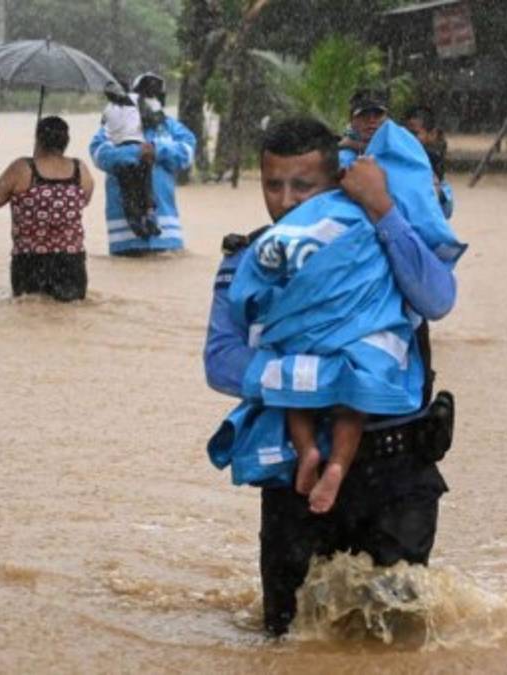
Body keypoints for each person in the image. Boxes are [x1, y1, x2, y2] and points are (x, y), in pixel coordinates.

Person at [203, 117, 461, 636]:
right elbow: (221, 360)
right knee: (290, 635)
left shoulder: (381, 239)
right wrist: (321, 377)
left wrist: (384, 210)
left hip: (395, 471)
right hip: (295, 476)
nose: (287, 201)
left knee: (399, 637)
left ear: (336, 182)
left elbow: (437, 299)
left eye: (303, 185)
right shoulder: (252, 260)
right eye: (273, 185)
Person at [0, 116, 94, 301]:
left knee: (30, 317)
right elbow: (85, 200)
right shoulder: (80, 169)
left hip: (30, 262)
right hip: (72, 263)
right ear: (66, 141)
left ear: (38, 139)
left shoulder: (22, 168)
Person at [90, 72, 196, 256]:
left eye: (155, 94)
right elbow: (99, 154)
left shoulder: (171, 126)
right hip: (124, 235)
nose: (150, 99)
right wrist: (137, 152)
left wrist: (157, 150)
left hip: (167, 234)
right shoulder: (114, 125)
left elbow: (187, 153)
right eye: (146, 93)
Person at [101, 81, 160, 238]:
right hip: (139, 150)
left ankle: (134, 220)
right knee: (146, 186)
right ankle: (150, 215)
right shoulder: (135, 99)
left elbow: (104, 131)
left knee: (128, 191)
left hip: (120, 153)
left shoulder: (107, 110)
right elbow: (151, 120)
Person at [403, 104, 455, 219]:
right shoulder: (399, 158)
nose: (408, 138)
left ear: (432, 134)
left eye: (415, 133)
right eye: (404, 134)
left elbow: (445, 211)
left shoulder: (432, 161)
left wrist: (437, 191)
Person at [338, 88, 390, 169]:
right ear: (351, 121)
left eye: (377, 114)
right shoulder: (344, 160)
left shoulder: (402, 146)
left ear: (387, 118)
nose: (371, 120)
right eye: (364, 115)